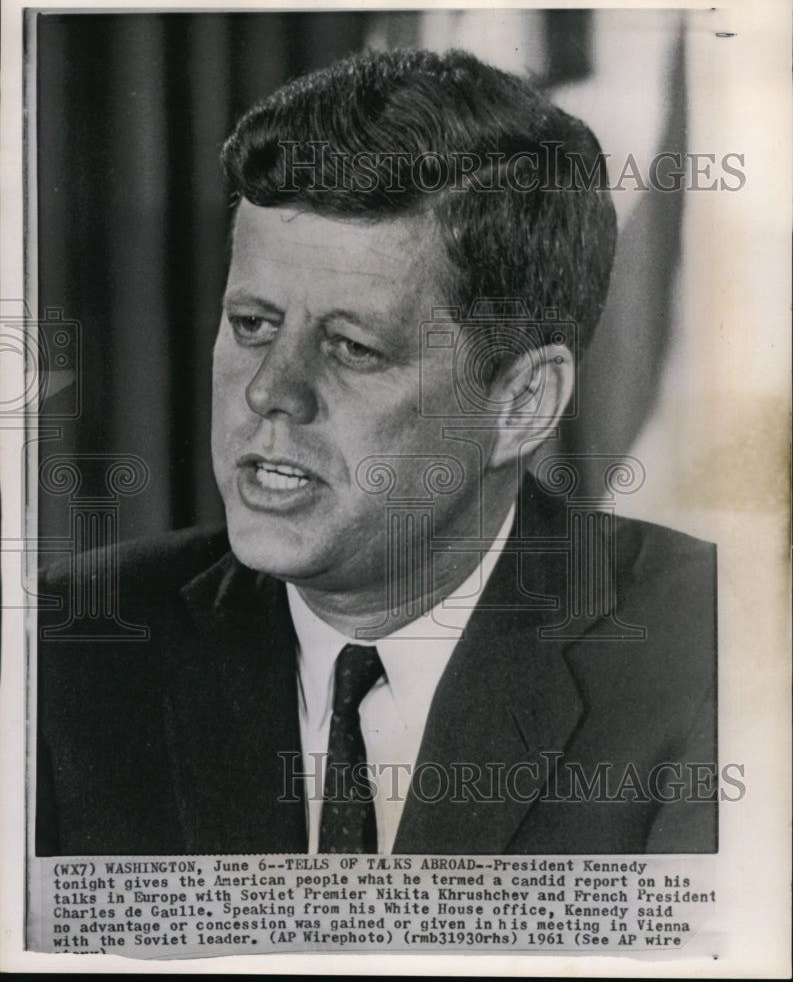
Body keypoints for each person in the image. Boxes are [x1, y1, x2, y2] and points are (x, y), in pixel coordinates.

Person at [36, 48, 716, 857]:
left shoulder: (712, 655)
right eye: (253, 324)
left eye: (352, 347)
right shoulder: (61, 652)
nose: (269, 392)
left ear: (521, 403)